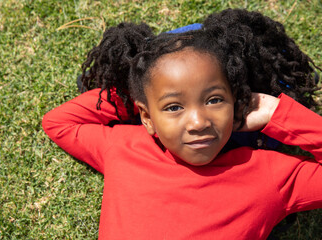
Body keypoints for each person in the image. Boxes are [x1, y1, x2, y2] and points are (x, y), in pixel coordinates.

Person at [42, 9, 322, 239]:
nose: (198, 122)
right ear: (147, 118)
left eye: (214, 100)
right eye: (174, 106)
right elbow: (60, 122)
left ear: (236, 100)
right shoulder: (124, 148)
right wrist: (139, 91)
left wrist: (277, 112)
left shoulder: (270, 174)